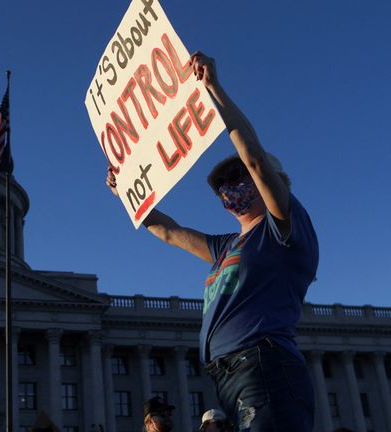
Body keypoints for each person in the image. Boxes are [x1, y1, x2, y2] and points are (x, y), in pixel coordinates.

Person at [106, 51, 319, 432]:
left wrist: (213, 89)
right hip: (229, 377)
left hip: (264, 367)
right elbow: (167, 230)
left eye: (238, 178)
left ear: (273, 183)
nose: (229, 188)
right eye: (223, 184)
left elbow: (253, 158)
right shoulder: (227, 247)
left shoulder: (283, 230)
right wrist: (126, 193)